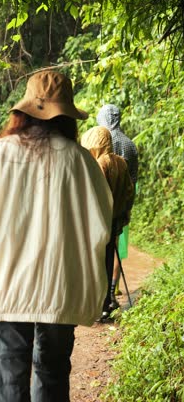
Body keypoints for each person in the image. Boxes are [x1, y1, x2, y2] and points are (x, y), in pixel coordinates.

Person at [0, 70, 113, 402]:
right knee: (53, 380)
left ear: (23, 111)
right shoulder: (82, 162)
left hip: (4, 291)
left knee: (9, 389)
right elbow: (101, 230)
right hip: (61, 291)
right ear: (67, 116)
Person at [81, 126, 134, 320]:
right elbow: (129, 191)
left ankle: (96, 305)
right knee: (107, 258)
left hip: (99, 221)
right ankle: (105, 303)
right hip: (114, 220)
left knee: (94, 262)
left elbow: (97, 194)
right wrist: (124, 212)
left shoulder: (100, 163)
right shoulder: (121, 162)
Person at [96, 104, 138, 296]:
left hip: (104, 201)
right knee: (117, 244)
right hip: (123, 200)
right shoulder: (130, 144)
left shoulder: (101, 140)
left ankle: (104, 292)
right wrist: (128, 205)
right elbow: (133, 178)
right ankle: (114, 288)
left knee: (101, 247)